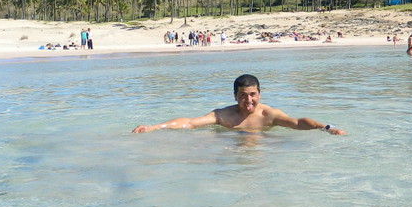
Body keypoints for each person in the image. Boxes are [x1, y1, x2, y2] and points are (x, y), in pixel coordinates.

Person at [132, 74, 345, 135]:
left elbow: (297, 122)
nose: (249, 100)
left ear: (259, 94)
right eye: (243, 95)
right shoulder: (223, 115)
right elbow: (189, 122)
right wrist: (154, 127)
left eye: (253, 95)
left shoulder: (269, 115)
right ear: (235, 96)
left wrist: (325, 127)